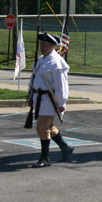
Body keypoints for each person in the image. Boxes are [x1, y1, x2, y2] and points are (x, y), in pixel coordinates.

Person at [28, 32, 71, 168]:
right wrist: (30, 96)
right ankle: (65, 147)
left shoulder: (57, 62)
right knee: (48, 127)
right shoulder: (41, 60)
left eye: (45, 44)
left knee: (41, 127)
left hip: (49, 100)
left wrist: (62, 102)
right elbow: (33, 78)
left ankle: (45, 158)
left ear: (53, 46)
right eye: (41, 44)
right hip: (38, 98)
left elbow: (62, 85)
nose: (42, 46)